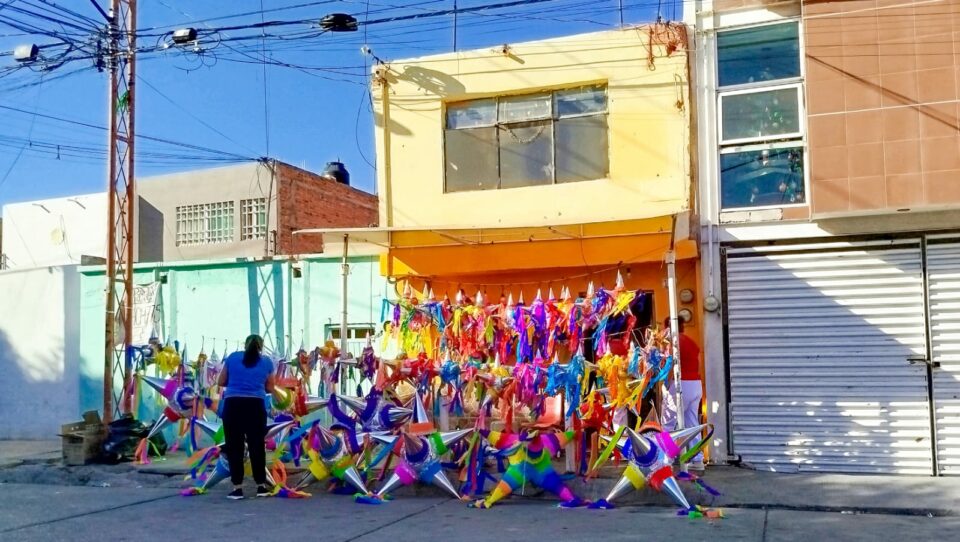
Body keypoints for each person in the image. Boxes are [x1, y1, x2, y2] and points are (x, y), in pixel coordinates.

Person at [217, 334, 280, 500]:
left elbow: (221, 381)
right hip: (255, 406)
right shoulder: (267, 362)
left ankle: (237, 488)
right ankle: (261, 486)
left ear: (245, 345)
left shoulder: (232, 357)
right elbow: (270, 387)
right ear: (261, 347)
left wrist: (236, 381)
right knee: (257, 446)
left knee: (234, 447)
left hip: (233, 405)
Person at [661, 317, 705, 470]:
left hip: (680, 383)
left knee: (668, 423)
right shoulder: (691, 342)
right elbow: (698, 364)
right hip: (695, 384)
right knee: (692, 423)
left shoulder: (672, 342)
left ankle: (666, 459)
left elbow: (669, 365)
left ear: (668, 327)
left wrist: (666, 384)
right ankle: (697, 460)